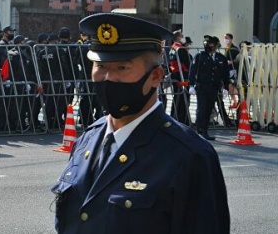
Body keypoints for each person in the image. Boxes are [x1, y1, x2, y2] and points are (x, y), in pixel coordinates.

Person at [52, 13, 229, 233]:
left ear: (155, 76)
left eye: (122, 68)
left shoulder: (190, 156)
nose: (108, 78)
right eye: (100, 66)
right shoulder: (86, 142)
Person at [188, 36, 230, 140]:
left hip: (214, 87)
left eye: (210, 44)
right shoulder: (200, 56)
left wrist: (226, 88)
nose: (208, 45)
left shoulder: (221, 58)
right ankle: (199, 131)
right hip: (202, 87)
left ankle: (205, 131)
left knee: (208, 110)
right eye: (207, 43)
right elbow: (192, 71)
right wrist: (191, 85)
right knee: (201, 109)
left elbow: (225, 74)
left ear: (216, 45)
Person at [168, 31, 193, 126]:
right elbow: (187, 63)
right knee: (184, 99)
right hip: (183, 76)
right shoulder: (181, 49)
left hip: (175, 75)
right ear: (178, 37)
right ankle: (182, 120)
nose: (183, 38)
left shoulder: (172, 48)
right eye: (182, 36)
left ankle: (174, 117)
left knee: (176, 98)